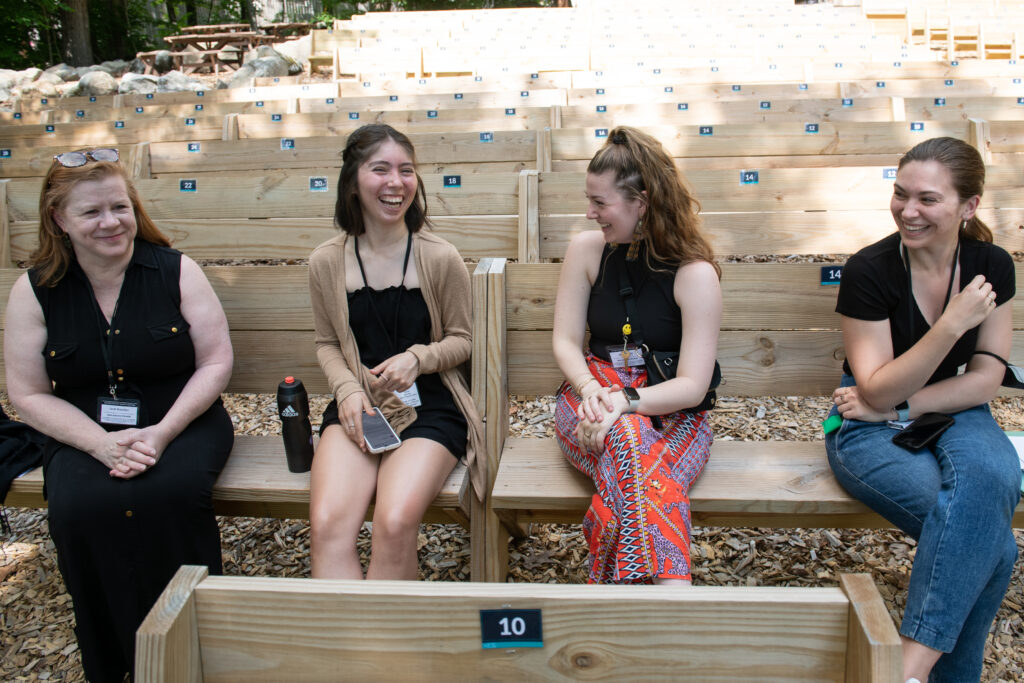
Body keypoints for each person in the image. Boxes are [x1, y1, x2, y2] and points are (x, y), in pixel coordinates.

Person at [4, 148, 234, 682]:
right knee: (80, 507)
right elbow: (29, 393)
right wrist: (98, 444)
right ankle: (115, 661)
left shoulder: (176, 270)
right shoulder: (35, 291)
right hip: (82, 427)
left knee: (170, 495)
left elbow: (216, 361)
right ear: (59, 219)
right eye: (91, 212)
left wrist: (161, 432)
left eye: (120, 207)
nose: (111, 222)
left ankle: (197, 648)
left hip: (181, 417)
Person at [825, 137, 1020, 683]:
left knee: (992, 475)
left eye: (928, 199)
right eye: (900, 194)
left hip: (948, 406)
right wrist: (952, 324)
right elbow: (876, 387)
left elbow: (984, 379)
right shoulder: (870, 268)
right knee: (993, 546)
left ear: (969, 206)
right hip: (860, 425)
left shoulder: (991, 265)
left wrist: (895, 409)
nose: (908, 211)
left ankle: (905, 670)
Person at [307, 124, 484, 580]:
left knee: (393, 522)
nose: (396, 182)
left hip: (430, 406)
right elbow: (327, 342)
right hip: (360, 404)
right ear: (354, 180)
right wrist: (347, 390)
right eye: (380, 169)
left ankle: (392, 648)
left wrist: (418, 357)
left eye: (406, 171)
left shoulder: (440, 257)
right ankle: (348, 649)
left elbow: (464, 340)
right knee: (327, 526)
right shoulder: (326, 261)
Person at [551, 126, 722, 585]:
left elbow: (692, 385)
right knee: (635, 451)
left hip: (671, 410)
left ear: (641, 202)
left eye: (600, 203)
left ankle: (613, 594)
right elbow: (565, 342)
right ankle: (671, 594)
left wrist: (624, 404)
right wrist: (592, 391)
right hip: (588, 397)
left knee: (630, 449)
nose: (590, 214)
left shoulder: (695, 273)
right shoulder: (586, 250)